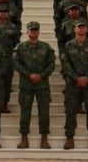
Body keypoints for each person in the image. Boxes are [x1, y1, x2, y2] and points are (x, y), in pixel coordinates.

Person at [13, 21, 56, 149]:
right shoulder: (20, 47)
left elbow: (51, 64)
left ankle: (44, 138)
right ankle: (24, 138)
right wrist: (29, 75)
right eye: (31, 30)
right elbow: (16, 63)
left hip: (42, 85)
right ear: (27, 32)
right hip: (26, 84)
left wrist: (41, 75)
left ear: (39, 31)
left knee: (44, 112)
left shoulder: (46, 47)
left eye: (36, 30)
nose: (33, 32)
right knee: (25, 111)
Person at [60, 20, 88, 150]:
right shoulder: (68, 46)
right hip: (73, 84)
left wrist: (86, 77)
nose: (81, 29)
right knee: (70, 111)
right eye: (79, 27)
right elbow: (65, 64)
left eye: (83, 27)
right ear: (75, 29)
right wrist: (76, 78)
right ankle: (69, 137)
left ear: (87, 29)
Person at [0, 4, 21, 114]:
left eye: (5, 12)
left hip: (8, 59)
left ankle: (4, 104)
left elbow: (16, 42)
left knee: (7, 83)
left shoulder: (13, 27)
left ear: (8, 14)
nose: (3, 13)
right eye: (1, 11)